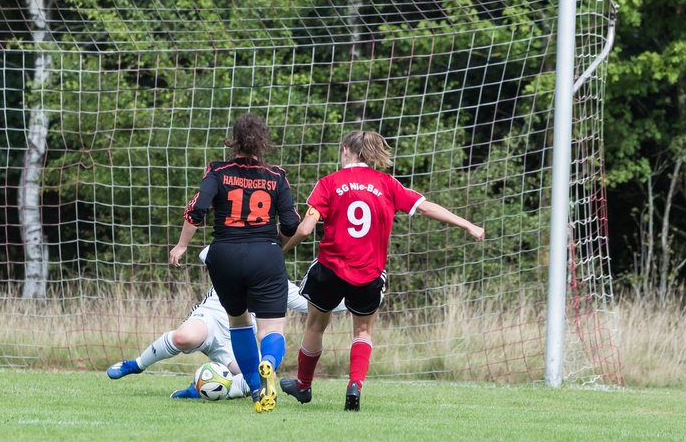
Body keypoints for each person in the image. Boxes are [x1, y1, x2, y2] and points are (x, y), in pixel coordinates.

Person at [281, 130, 484, 411]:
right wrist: (467, 224)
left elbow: (305, 229)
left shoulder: (329, 183)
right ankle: (355, 385)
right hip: (368, 272)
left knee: (316, 324)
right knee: (363, 330)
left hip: (330, 268)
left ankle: (303, 385)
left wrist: (281, 250)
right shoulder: (387, 183)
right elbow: (425, 208)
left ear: (345, 151)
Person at [169, 114, 298, 413]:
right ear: (263, 140)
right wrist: (272, 245)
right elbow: (292, 222)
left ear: (234, 140)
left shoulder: (217, 170)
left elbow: (198, 208)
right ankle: (269, 363)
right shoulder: (277, 175)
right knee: (270, 328)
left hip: (224, 253)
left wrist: (182, 245)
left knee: (238, 321)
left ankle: (255, 388)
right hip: (264, 252)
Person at [107, 248, 346, 399]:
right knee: (184, 337)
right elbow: (206, 252)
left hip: (237, 345)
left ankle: (200, 390)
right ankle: (135, 365)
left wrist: (353, 301)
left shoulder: (278, 285)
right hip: (211, 319)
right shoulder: (230, 251)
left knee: (260, 379)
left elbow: (317, 303)